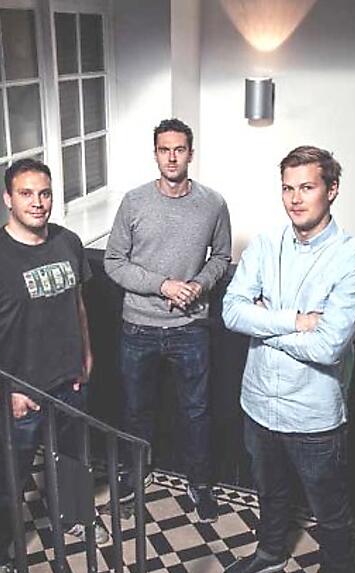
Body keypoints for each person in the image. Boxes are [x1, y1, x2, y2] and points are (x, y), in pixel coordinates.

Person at [220, 146, 355, 573]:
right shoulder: (265, 245)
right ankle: (269, 553)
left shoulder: (352, 261)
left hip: (313, 414)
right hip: (258, 403)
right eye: (288, 188)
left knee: (330, 511)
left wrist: (263, 323)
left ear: (332, 190)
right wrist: (295, 321)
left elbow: (328, 347)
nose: (295, 198)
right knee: (270, 491)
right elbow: (230, 312)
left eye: (307, 187)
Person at [0, 158, 108, 573]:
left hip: (69, 382)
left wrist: (86, 356)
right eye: (26, 193)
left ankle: (76, 517)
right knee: (9, 480)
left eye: (44, 193)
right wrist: (1, 392)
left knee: (74, 458)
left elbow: (77, 304)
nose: (38, 202)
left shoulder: (68, 242)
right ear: (8, 198)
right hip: (20, 395)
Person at [103, 118, 232, 522]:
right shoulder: (134, 202)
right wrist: (163, 286)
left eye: (179, 149)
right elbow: (113, 261)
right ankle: (133, 476)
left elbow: (221, 256)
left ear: (191, 153)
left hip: (190, 327)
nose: (172, 157)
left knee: (196, 411)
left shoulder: (213, 203)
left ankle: (200, 485)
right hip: (138, 326)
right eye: (164, 150)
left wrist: (198, 285)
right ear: (155, 154)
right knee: (135, 410)